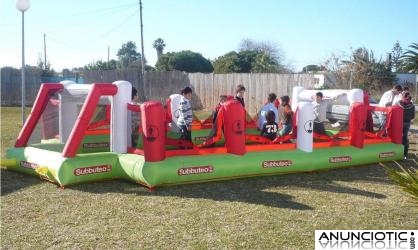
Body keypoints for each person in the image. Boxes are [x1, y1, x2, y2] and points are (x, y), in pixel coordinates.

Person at [395, 91, 415, 159]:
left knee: (401, 137)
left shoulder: (399, 104)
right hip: (406, 122)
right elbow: (412, 116)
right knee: (404, 138)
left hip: (401, 123)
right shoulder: (412, 105)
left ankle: (402, 153)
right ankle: (404, 153)